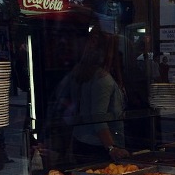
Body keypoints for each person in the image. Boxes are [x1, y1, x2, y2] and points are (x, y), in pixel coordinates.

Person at [50, 29, 129, 164]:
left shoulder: (79, 72)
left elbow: (60, 95)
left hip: (82, 140)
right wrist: (111, 148)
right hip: (99, 147)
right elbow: (98, 118)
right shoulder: (102, 79)